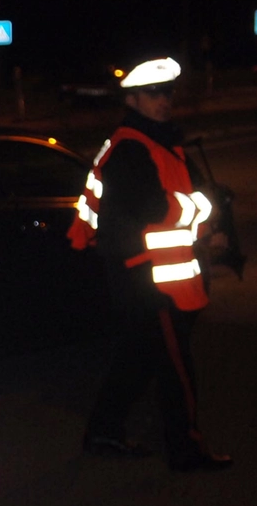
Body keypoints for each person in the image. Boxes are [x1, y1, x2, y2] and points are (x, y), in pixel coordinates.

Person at [67, 56, 232, 472]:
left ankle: (103, 431)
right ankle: (186, 449)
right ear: (135, 100)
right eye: (155, 94)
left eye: (168, 93)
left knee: (138, 358)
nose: (164, 101)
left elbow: (187, 192)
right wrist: (203, 210)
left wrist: (208, 218)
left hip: (154, 275)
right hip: (150, 280)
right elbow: (157, 208)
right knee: (177, 369)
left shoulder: (156, 142)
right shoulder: (132, 149)